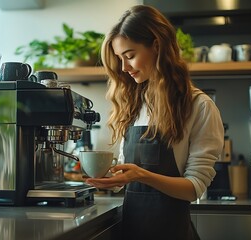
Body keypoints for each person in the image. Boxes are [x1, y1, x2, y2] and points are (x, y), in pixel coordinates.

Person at [84, 5, 224, 240]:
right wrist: (111, 179)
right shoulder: (133, 105)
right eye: (120, 59)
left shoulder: (199, 106)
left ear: (157, 45)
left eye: (129, 56)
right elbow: (127, 172)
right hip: (132, 231)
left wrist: (141, 175)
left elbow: (193, 188)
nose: (124, 68)